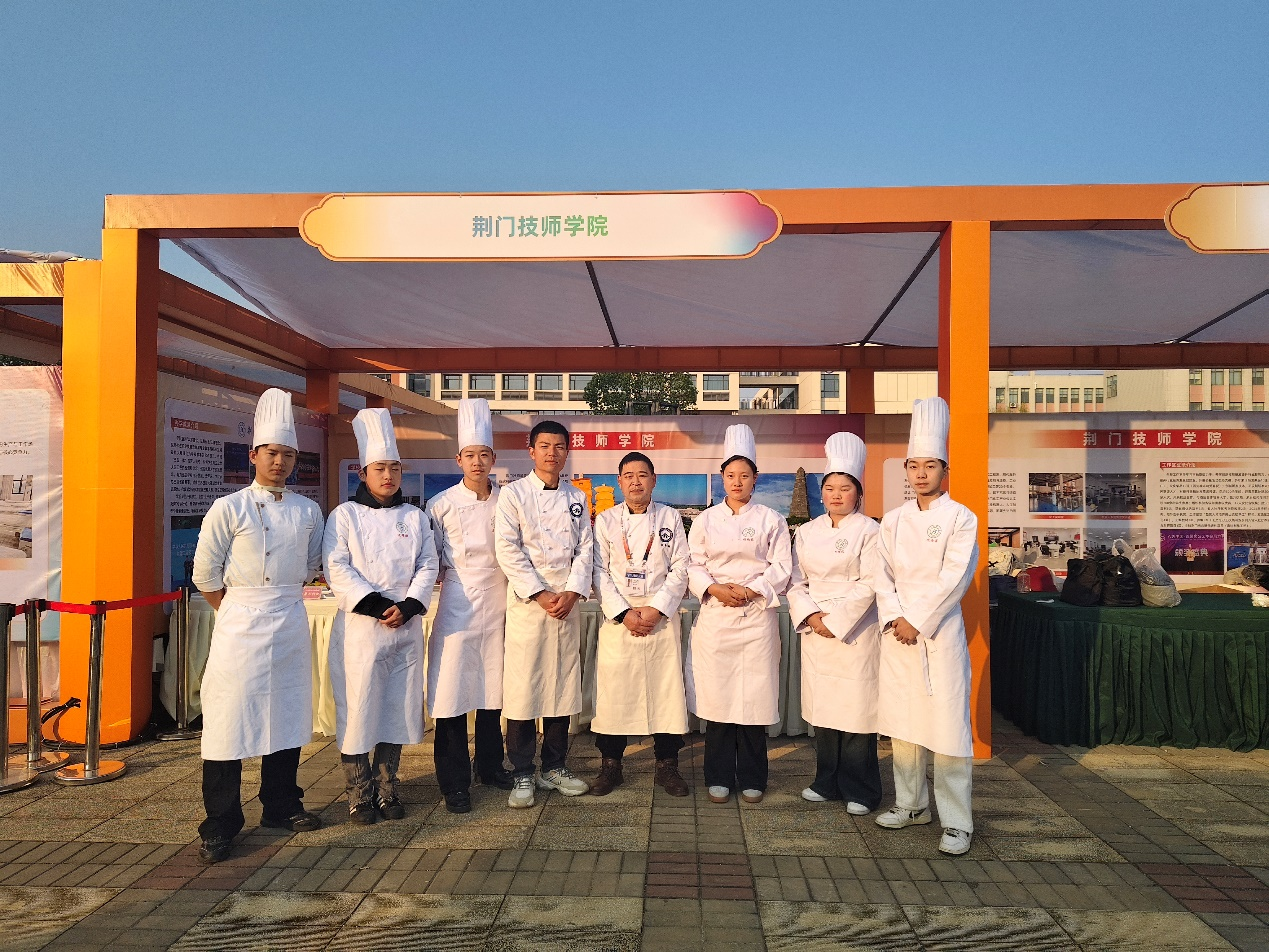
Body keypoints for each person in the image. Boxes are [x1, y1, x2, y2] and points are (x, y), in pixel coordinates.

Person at [191, 388, 324, 864]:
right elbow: (204, 574)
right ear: (253, 456)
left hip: (288, 619)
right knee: (227, 724)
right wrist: (236, 608)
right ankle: (220, 823)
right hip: (240, 623)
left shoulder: (308, 510)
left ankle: (281, 805)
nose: (280, 462)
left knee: (286, 716)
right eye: (272, 453)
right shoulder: (229, 507)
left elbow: (311, 565)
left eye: (288, 455)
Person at [874, 397, 979, 856]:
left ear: (944, 470)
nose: (921, 474)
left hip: (938, 635)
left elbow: (955, 577)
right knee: (904, 724)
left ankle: (957, 822)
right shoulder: (893, 520)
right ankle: (911, 805)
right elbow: (880, 574)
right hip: (898, 634)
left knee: (948, 728)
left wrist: (916, 620)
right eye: (914, 466)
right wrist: (896, 617)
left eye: (930, 466)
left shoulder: (961, 518)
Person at [323, 409, 439, 824]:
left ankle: (388, 788)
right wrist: (375, 606)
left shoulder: (415, 517)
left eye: (394, 468)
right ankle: (358, 794)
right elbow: (337, 566)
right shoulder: (344, 516)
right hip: (362, 629)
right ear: (364, 472)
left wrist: (408, 607)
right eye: (380, 468)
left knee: (397, 708)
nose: (388, 475)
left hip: (404, 629)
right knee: (358, 710)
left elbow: (428, 563)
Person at [685, 424, 792, 805]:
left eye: (744, 476)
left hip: (756, 617)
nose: (737, 482)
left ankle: (752, 777)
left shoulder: (771, 519)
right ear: (722, 477)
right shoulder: (706, 519)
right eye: (730, 475)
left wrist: (751, 590)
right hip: (717, 617)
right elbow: (693, 564)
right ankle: (717, 776)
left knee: (753, 701)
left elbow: (782, 567)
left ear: (755, 478)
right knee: (718, 701)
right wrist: (715, 588)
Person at [494, 419, 594, 807]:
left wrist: (572, 591)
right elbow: (507, 548)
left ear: (567, 452)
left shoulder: (577, 497)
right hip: (528, 606)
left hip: (565, 605)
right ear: (531, 450)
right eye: (545, 446)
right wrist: (539, 593)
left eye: (559, 447)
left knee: (561, 687)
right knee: (524, 690)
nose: (552, 453)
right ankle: (522, 771)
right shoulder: (513, 495)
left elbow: (585, 548)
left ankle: (554, 767)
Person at [426, 398, 515, 814]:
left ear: (493, 459)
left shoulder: (509, 500)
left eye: (484, 455)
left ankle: (491, 766)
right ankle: (454, 782)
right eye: (470, 455)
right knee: (452, 695)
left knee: (492, 692)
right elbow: (430, 560)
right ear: (458, 459)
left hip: (500, 601)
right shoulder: (441, 504)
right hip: (457, 604)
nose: (477, 462)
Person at [787, 432, 883, 815]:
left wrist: (837, 620)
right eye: (829, 488)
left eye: (845, 488)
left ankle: (862, 789)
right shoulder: (807, 532)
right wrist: (812, 616)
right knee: (824, 710)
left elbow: (871, 582)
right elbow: (795, 581)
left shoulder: (870, 531)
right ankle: (825, 781)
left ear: (858, 493)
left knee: (857, 711)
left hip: (855, 631)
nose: (836, 495)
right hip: (817, 629)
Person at [590, 451, 691, 797]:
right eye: (629, 476)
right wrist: (624, 614)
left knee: (666, 693)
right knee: (615, 693)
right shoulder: (606, 520)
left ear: (654, 480)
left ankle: (667, 766)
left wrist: (657, 609)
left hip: (659, 617)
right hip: (620, 619)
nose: (636, 482)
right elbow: (598, 571)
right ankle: (611, 766)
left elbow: (681, 567)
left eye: (643, 475)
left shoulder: (670, 517)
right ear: (619, 482)